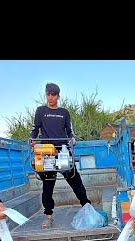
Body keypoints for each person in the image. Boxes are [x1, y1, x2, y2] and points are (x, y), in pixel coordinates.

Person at [29, 82, 91, 228]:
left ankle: (87, 208)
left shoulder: (64, 112)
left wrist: (72, 138)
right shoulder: (40, 111)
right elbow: (35, 129)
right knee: (48, 185)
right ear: (46, 95)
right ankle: (48, 217)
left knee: (75, 180)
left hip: (63, 151)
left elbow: (69, 131)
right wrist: (32, 139)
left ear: (58, 96)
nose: (50, 97)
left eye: (53, 95)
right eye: (48, 94)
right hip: (47, 153)